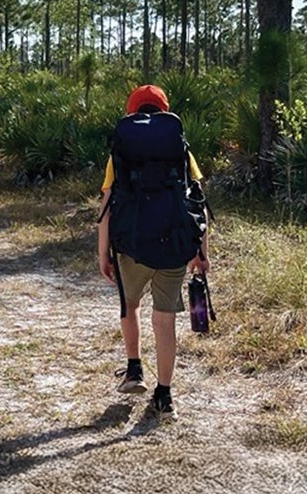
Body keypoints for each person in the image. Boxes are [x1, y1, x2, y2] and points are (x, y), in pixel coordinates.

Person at [97, 84, 211, 420]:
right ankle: (164, 396)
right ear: (164, 110)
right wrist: (200, 252)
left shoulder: (122, 150)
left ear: (132, 111)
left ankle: (134, 369)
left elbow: (107, 206)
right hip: (174, 242)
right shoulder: (180, 148)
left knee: (129, 305)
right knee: (165, 320)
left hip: (131, 245)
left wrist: (102, 252)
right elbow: (198, 204)